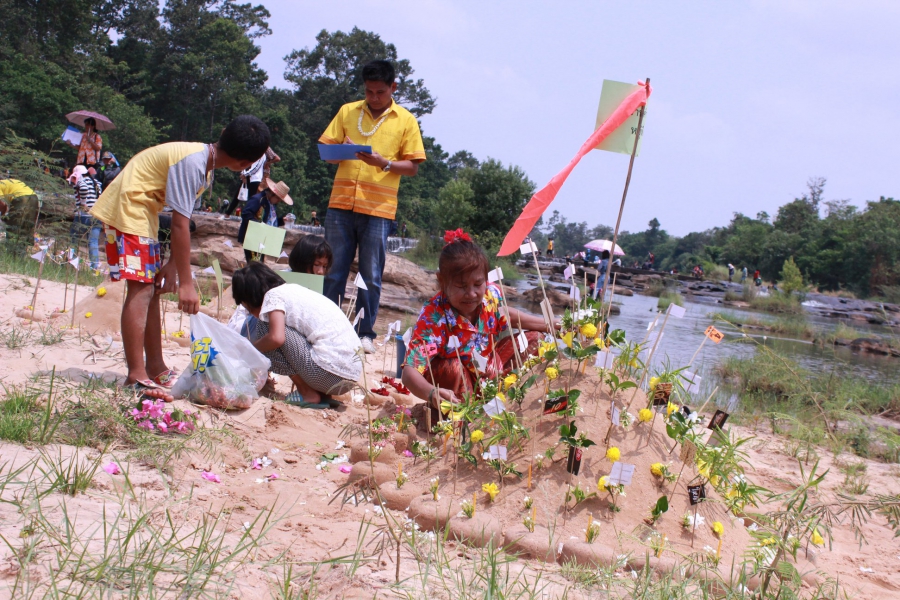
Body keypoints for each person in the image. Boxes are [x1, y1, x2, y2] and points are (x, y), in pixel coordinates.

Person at [90, 114, 270, 401]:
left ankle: (156, 367)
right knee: (141, 288)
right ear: (244, 165)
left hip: (143, 213)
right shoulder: (192, 163)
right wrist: (186, 283)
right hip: (129, 210)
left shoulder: (202, 164)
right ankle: (136, 374)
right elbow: (179, 223)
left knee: (152, 290)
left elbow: (181, 220)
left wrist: (173, 265)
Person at [319, 59, 426, 354]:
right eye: (369, 92)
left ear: (393, 88)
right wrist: (342, 151)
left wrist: (386, 163)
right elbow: (326, 152)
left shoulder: (405, 120)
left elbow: (413, 166)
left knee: (370, 273)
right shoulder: (348, 111)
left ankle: (364, 332)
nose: (374, 97)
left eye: (380, 92)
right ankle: (327, 325)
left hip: (378, 208)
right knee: (333, 269)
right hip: (341, 202)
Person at [401, 230, 557, 422]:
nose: (472, 293)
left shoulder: (491, 294)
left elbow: (505, 315)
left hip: (491, 373)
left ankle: (511, 404)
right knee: (453, 368)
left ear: (486, 280)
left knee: (535, 340)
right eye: (461, 286)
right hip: (457, 385)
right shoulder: (433, 317)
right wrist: (432, 393)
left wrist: (550, 324)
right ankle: (463, 419)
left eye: (478, 284)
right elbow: (409, 372)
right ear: (442, 281)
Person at [232, 262, 361, 408]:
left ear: (251, 297)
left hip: (329, 376)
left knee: (266, 327)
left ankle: (307, 392)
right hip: (348, 378)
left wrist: (249, 349)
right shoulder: (293, 290)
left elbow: (276, 338)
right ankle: (322, 394)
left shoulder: (272, 297)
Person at [237, 178, 293, 264]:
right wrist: (259, 225)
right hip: (252, 236)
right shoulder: (258, 199)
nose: (278, 201)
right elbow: (246, 214)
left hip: (261, 238)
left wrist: (282, 220)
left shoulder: (271, 204)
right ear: (273, 194)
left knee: (259, 263)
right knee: (254, 264)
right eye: (278, 199)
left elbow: (269, 221)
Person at [221, 146, 280, 216]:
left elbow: (257, 167)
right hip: (248, 175)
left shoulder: (263, 151)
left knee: (252, 199)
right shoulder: (251, 150)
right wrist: (243, 173)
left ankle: (249, 216)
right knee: (238, 195)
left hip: (257, 177)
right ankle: (228, 213)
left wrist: (267, 163)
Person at [68, 165, 103, 270]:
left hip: (83, 215)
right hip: (96, 215)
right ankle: (94, 267)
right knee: (93, 242)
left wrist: (83, 203)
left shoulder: (81, 180)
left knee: (74, 239)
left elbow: (83, 188)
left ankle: (71, 263)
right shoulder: (97, 183)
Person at [0, 178, 38, 244]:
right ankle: (25, 249)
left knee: (13, 228)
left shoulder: (1, 184)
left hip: (21, 199)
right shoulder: (8, 182)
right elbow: (4, 206)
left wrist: (2, 216)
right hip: (34, 197)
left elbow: (2, 205)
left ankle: (11, 251)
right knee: (27, 226)